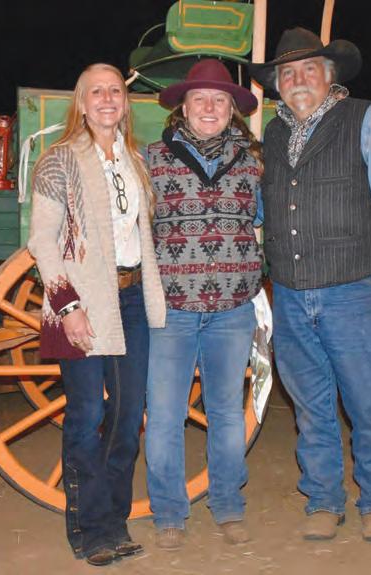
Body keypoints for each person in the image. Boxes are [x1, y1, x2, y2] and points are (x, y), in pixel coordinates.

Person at [249, 28, 371, 543]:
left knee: (367, 401)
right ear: (277, 84)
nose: (298, 80)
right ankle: (324, 500)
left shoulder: (369, 120)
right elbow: (265, 206)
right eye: (287, 73)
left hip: (354, 291)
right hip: (291, 292)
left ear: (330, 76)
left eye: (309, 70)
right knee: (310, 405)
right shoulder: (273, 134)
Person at [27, 63, 166, 566]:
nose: (107, 99)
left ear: (124, 104)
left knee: (127, 417)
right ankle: (88, 529)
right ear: (82, 104)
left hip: (131, 300)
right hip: (82, 302)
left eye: (115, 91)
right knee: (87, 415)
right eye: (96, 92)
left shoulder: (135, 162)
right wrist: (68, 307)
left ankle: (114, 521)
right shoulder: (58, 161)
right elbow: (42, 242)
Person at [144, 59, 264, 549]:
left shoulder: (254, 163)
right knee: (165, 414)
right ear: (183, 108)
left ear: (233, 110)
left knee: (227, 414)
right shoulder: (151, 159)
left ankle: (228, 505)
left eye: (220, 100)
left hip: (233, 309)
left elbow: (262, 221)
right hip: (170, 308)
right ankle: (169, 511)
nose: (210, 107)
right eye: (200, 99)